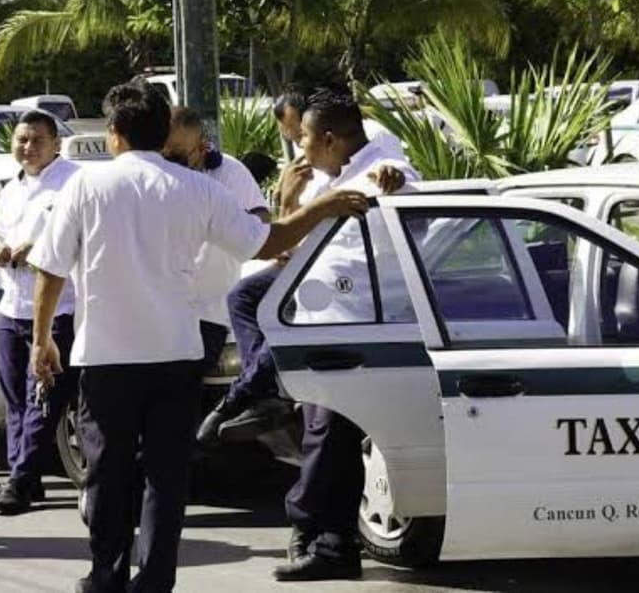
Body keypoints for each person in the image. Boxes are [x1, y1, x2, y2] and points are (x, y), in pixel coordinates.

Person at [27, 79, 370, 593]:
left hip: (106, 356)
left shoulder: (83, 186)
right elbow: (265, 241)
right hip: (177, 353)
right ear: (164, 131)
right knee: (166, 477)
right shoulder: (198, 188)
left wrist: (41, 340)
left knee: (107, 473)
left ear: (115, 133)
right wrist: (322, 207)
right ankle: (156, 579)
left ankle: (107, 576)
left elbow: (49, 271)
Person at [274, 88, 418, 582]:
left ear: (331, 139)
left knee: (329, 436)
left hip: (353, 328)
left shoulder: (380, 169)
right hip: (315, 325)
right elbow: (282, 249)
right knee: (325, 435)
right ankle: (324, 538)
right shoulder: (328, 179)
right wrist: (290, 199)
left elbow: (402, 181)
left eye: (307, 140)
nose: (301, 150)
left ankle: (322, 536)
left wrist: (394, 180)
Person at [0, 110, 80, 516]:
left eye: (37, 139)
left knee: (43, 398)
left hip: (58, 308)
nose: (27, 147)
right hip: (12, 305)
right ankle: (21, 476)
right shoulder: (12, 187)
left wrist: (32, 249)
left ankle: (20, 480)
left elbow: (70, 238)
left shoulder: (74, 182)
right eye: (21, 139)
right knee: (14, 399)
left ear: (56, 143)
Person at [162, 106, 270, 388]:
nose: (175, 163)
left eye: (181, 154)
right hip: (161, 311)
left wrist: (226, 225)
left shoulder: (230, 171)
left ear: (202, 147)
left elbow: (262, 220)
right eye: (167, 153)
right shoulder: (154, 177)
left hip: (208, 312)